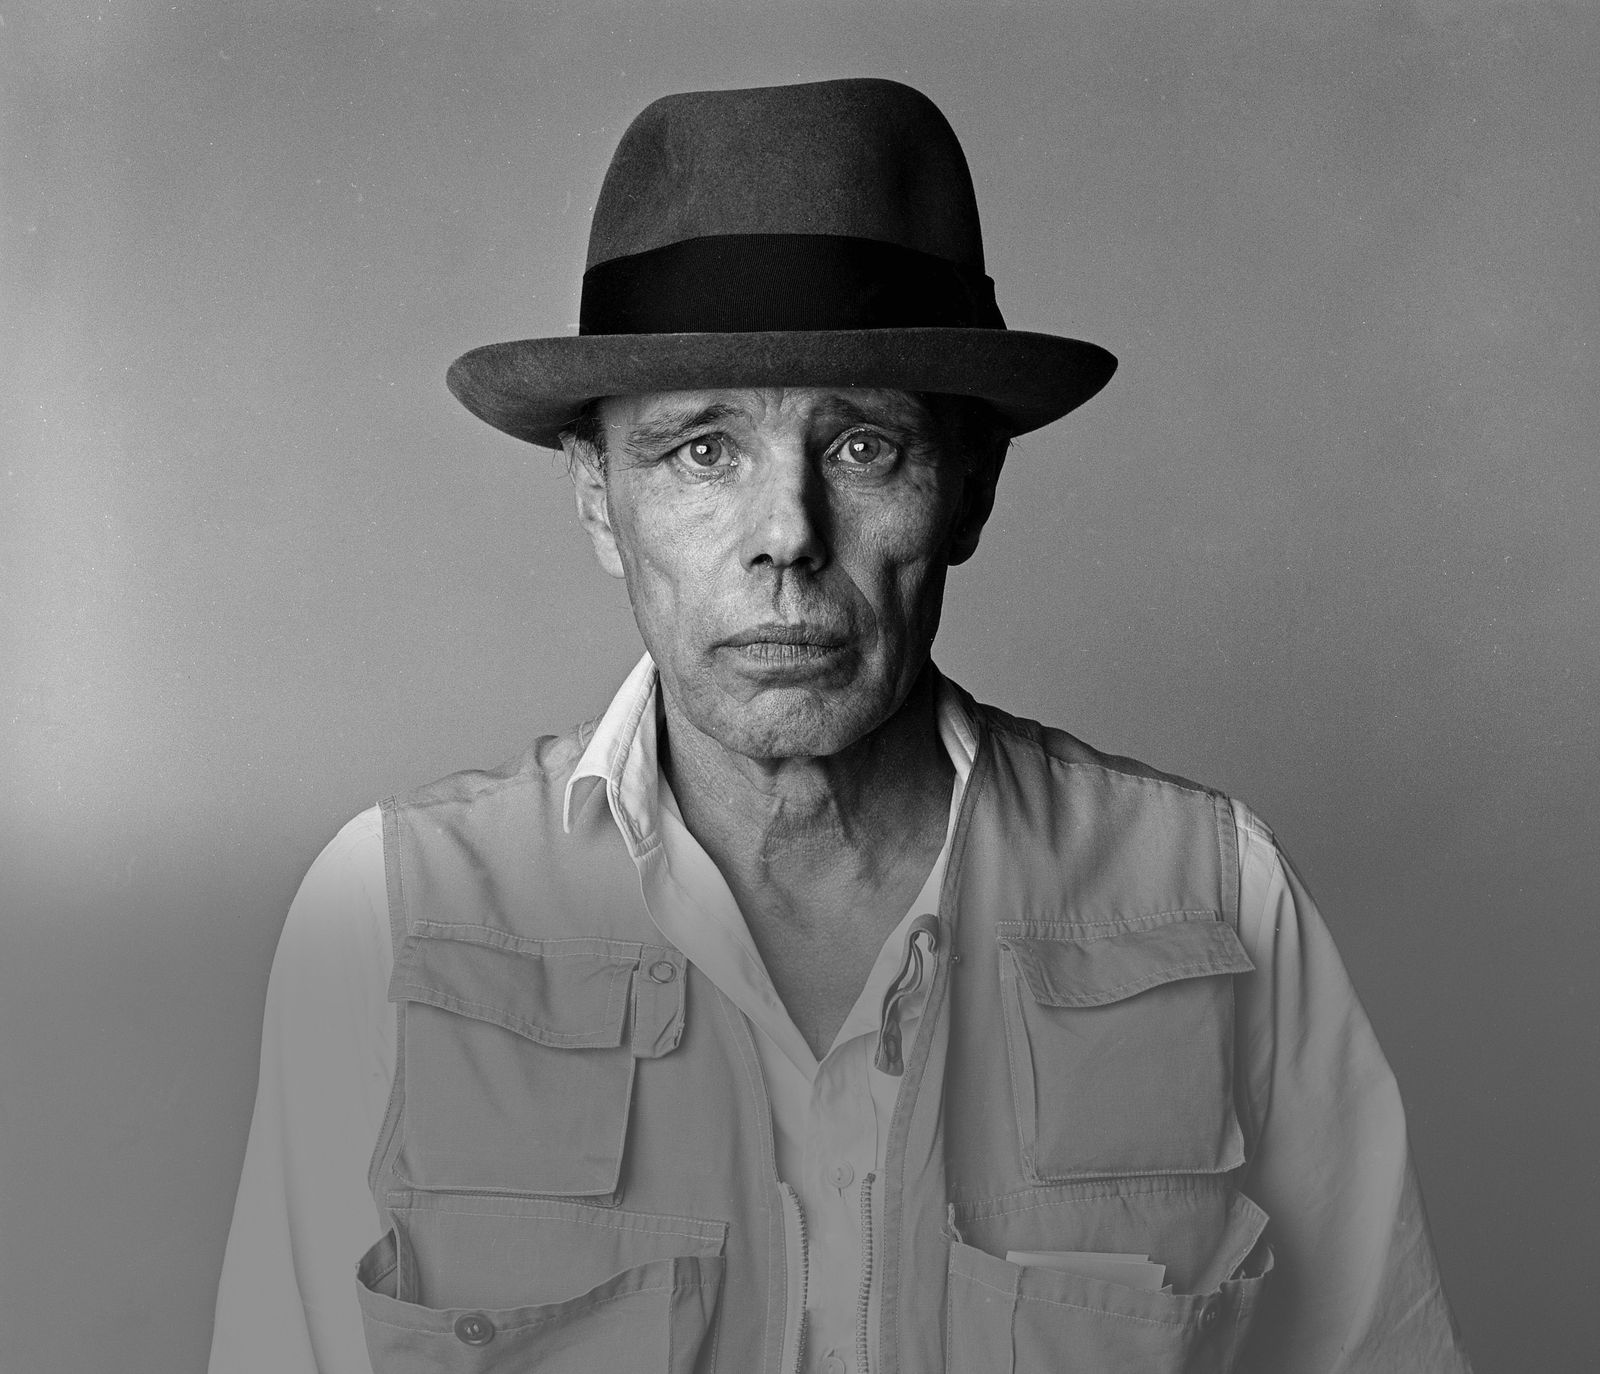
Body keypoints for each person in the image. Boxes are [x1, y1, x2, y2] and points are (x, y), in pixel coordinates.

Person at [208, 78, 1472, 1373]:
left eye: (864, 446)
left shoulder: (1218, 896)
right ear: (596, 497)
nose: (788, 535)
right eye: (702, 451)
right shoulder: (385, 918)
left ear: (971, 487)